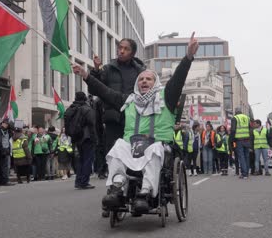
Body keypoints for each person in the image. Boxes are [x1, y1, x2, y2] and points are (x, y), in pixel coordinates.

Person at [73, 32, 198, 213]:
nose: (144, 81)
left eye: (148, 79)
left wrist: (188, 57)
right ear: (137, 84)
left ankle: (145, 193)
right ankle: (117, 187)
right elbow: (105, 92)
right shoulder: (129, 100)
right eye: (141, 79)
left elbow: (178, 79)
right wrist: (86, 75)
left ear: (155, 83)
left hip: (159, 144)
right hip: (134, 146)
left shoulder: (166, 97)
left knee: (154, 149)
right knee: (118, 145)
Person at [89, 38, 146, 174]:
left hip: (134, 120)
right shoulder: (108, 69)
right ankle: (115, 185)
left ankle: (135, 183)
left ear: (133, 53)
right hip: (113, 120)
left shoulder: (140, 72)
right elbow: (94, 89)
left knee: (135, 155)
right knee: (114, 154)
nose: (121, 51)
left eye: (126, 49)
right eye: (120, 47)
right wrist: (96, 70)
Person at [65, 91, 97, 189]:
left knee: (80, 160)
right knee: (87, 159)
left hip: (76, 137)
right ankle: (84, 182)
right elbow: (92, 123)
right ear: (84, 98)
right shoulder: (87, 109)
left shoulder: (70, 108)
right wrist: (95, 138)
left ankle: (78, 181)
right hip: (87, 137)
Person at [229, 108, 252, 179]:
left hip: (239, 140)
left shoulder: (235, 118)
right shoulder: (247, 117)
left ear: (235, 112)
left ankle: (244, 173)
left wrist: (232, 139)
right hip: (247, 139)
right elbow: (250, 129)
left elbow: (233, 130)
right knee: (246, 156)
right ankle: (246, 173)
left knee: (241, 157)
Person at [0, 118, 14, 186]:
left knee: (1, 166)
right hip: (1, 150)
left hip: (6, 149)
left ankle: (0, 181)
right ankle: (5, 181)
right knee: (5, 166)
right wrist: (2, 150)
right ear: (1, 123)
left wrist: (9, 125)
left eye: (7, 124)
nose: (6, 125)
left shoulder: (8, 131)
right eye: (5, 123)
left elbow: (12, 129)